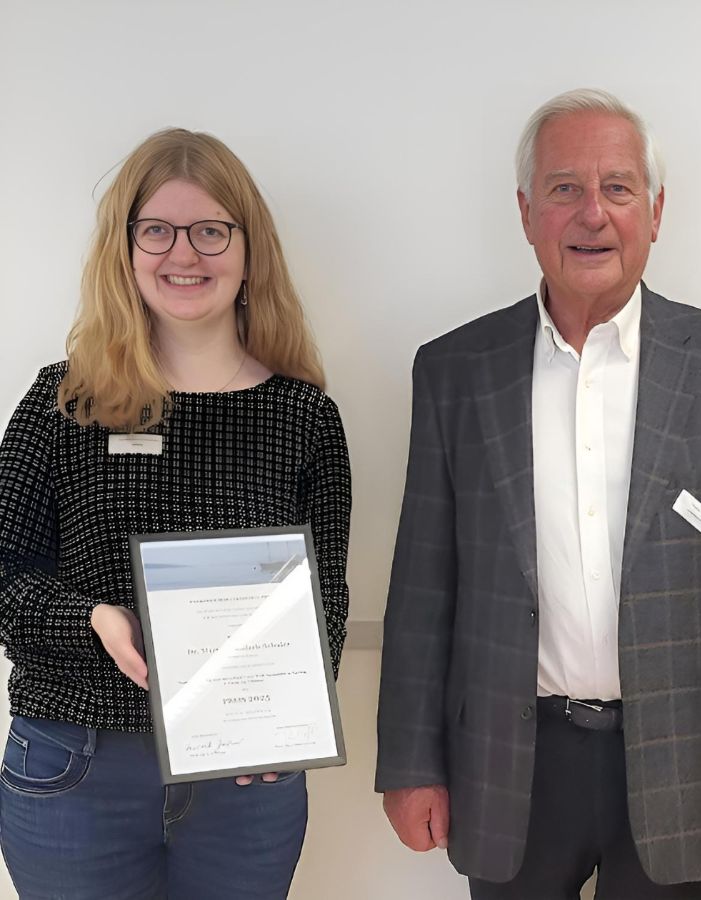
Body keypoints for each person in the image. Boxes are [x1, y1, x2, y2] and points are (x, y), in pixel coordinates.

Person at [376, 88, 701, 899]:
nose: (593, 214)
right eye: (564, 189)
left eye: (618, 188)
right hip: (509, 767)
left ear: (655, 211)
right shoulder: (455, 372)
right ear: (525, 213)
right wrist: (410, 763)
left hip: (688, 761)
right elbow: (422, 586)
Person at [0, 128, 351, 899]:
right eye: (156, 230)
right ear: (124, 249)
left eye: (210, 231)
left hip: (245, 785)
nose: (183, 254)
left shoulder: (304, 416)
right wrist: (92, 620)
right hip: (77, 768)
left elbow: (325, 599)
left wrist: (292, 710)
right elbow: (4, 581)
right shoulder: (62, 403)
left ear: (248, 247)